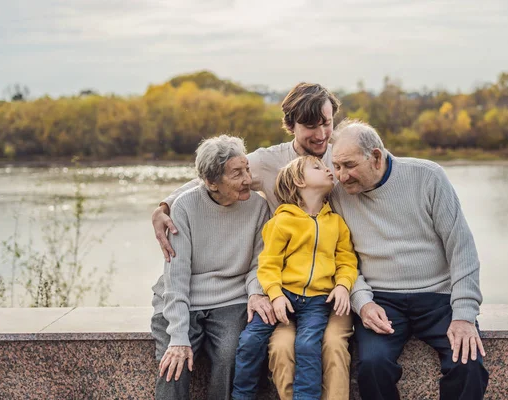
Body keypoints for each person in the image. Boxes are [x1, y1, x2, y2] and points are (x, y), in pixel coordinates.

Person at [151, 83, 354, 399]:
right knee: (270, 348)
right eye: (311, 126)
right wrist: (164, 206)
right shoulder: (268, 162)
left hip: (330, 284)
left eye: (327, 122)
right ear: (291, 125)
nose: (321, 133)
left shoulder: (340, 155)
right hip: (284, 287)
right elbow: (209, 176)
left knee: (321, 346)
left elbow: (375, 163)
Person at [329, 119, 490, 400]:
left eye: (349, 165)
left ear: (376, 157)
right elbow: (344, 260)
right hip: (381, 300)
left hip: (438, 297)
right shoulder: (338, 194)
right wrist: (363, 303)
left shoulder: (427, 176)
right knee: (371, 366)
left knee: (468, 363)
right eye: (337, 166)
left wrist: (464, 314)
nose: (341, 176)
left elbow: (461, 248)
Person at [150, 135, 270, 400]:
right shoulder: (185, 206)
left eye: (247, 169)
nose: (247, 179)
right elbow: (176, 277)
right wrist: (179, 337)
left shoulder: (259, 207)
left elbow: (257, 265)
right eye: (237, 174)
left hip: (230, 299)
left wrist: (255, 293)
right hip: (183, 297)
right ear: (211, 182)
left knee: (231, 356)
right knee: (174, 363)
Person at [232, 155, 358, 400]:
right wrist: (276, 296)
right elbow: (268, 265)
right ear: (300, 181)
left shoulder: (337, 223)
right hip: (284, 297)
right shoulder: (281, 222)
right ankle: (241, 396)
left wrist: (343, 285)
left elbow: (347, 261)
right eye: (317, 167)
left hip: (317, 302)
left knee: (307, 346)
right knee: (250, 341)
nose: (328, 169)